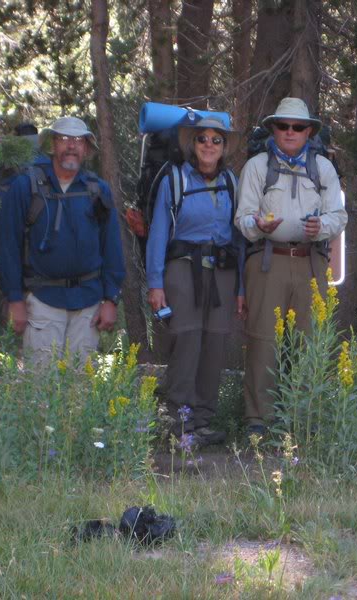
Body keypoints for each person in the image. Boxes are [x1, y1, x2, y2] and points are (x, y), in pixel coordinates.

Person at [235, 97, 348, 436]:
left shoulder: (323, 168)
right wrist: (259, 226)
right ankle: (259, 420)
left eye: (297, 127)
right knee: (263, 340)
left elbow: (338, 216)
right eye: (283, 126)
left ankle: (301, 418)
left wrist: (321, 228)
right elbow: (242, 218)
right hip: (268, 260)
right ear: (273, 128)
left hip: (310, 262)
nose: (289, 132)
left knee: (308, 340)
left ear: (309, 131)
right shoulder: (257, 166)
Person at [0, 116, 126, 367]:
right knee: (41, 389)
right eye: (64, 139)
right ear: (52, 145)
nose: (71, 146)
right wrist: (15, 299)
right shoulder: (26, 187)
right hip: (42, 299)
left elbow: (111, 247)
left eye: (78, 140)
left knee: (80, 388)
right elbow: (7, 246)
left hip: (88, 302)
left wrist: (111, 299)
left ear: (86, 149)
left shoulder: (97, 190)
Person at [146, 115, 245, 447]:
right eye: (202, 139)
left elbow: (240, 240)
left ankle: (202, 421)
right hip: (183, 270)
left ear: (224, 146)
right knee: (186, 342)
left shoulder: (231, 181)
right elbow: (158, 234)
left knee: (214, 347)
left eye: (216, 140)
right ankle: (176, 422)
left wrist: (242, 289)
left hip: (222, 273)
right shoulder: (174, 180)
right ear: (192, 143)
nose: (208, 145)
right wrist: (155, 284)